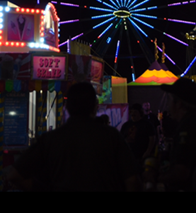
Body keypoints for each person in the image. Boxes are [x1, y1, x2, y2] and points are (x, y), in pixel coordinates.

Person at [7, 82, 141, 192]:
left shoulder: (51, 139)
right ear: (95, 107)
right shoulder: (112, 137)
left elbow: (14, 175)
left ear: (67, 107)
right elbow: (131, 180)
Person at [157, 77, 196, 192]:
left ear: (179, 104)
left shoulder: (188, 128)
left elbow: (182, 172)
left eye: (170, 100)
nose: (168, 105)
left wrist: (156, 178)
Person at [120, 103, 156, 171]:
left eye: (135, 111)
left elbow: (152, 138)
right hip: (129, 156)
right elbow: (121, 139)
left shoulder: (147, 124)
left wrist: (148, 151)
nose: (133, 114)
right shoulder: (126, 125)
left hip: (141, 155)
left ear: (140, 113)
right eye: (132, 111)